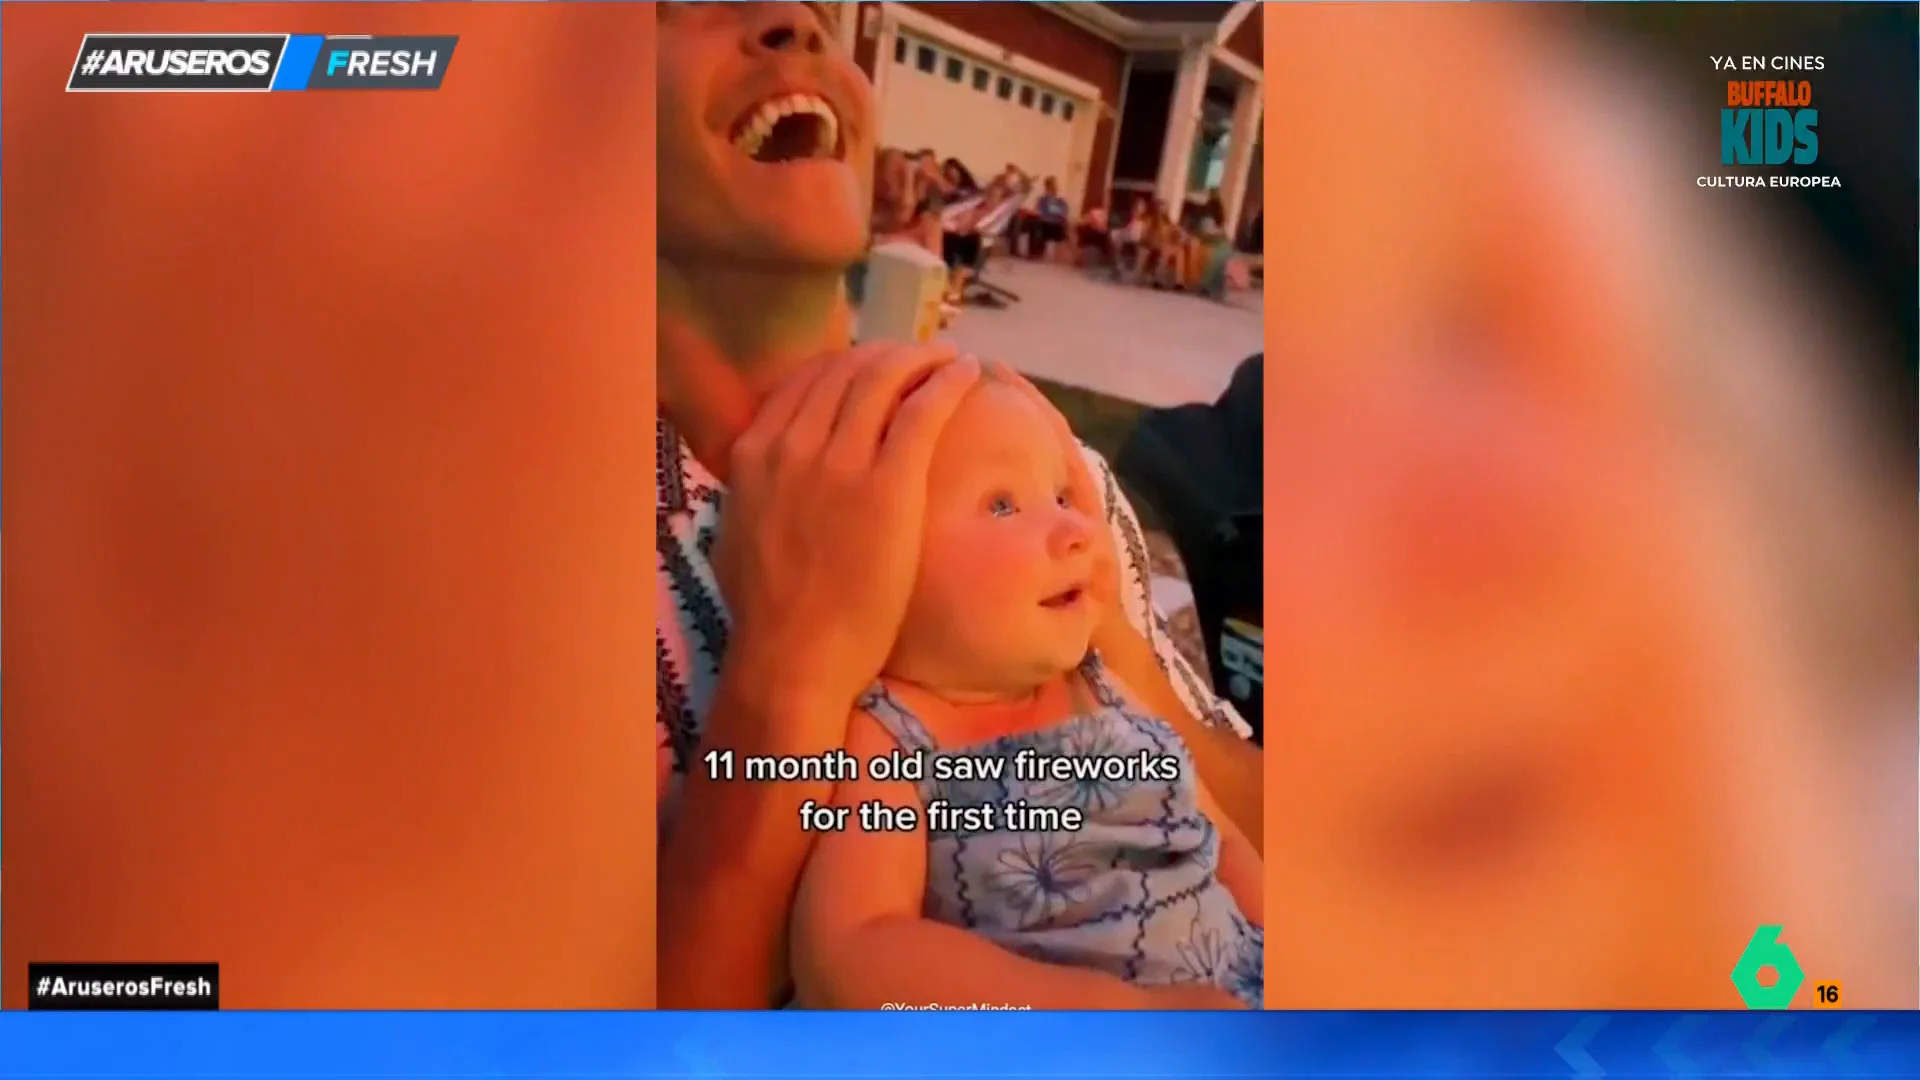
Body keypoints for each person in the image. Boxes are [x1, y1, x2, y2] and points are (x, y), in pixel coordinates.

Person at [657, 1, 1262, 1010]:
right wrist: (788, 683)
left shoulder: (1042, 452)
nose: (792, 25)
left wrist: (1110, 646)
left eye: (815, 8)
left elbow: (1239, 823)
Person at [792, 368, 1262, 1010]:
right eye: (1003, 504)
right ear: (871, 558)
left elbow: (1221, 839)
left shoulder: (1105, 686)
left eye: (1065, 498)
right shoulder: (893, 741)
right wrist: (1118, 1015)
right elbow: (851, 952)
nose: (1075, 532)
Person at [1021, 176, 1071, 260]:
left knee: (1036, 224)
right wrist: (1028, 212)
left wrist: (1050, 211)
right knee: (1033, 222)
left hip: (1056, 227)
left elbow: (1063, 215)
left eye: (1052, 186)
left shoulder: (1060, 201)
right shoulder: (1042, 199)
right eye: (1048, 186)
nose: (1050, 189)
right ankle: (1034, 252)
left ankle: (1035, 252)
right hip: (1043, 224)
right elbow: (1037, 212)